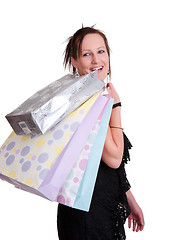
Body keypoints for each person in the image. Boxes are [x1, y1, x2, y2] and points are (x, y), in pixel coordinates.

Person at [57, 26, 145, 240]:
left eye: (101, 51)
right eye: (87, 54)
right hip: (88, 214)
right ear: (74, 62)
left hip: (102, 205)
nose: (96, 60)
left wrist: (130, 200)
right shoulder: (85, 102)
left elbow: (106, 166)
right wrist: (116, 107)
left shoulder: (95, 95)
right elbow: (114, 158)